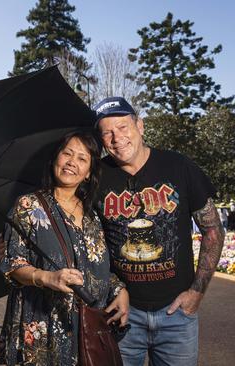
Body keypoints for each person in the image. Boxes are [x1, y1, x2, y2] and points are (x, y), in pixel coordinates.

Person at [94, 96, 225, 365]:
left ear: (140, 126)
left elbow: (213, 230)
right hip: (121, 313)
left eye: (122, 127)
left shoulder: (178, 166)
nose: (117, 138)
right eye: (107, 133)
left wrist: (197, 293)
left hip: (175, 315)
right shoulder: (96, 176)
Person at [0, 131, 129, 366]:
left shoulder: (93, 216)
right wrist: (46, 277)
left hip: (86, 329)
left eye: (82, 158)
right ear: (55, 160)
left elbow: (98, 267)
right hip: (42, 329)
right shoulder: (28, 206)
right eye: (67, 153)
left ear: (89, 172)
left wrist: (120, 290)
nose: (72, 162)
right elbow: (12, 264)